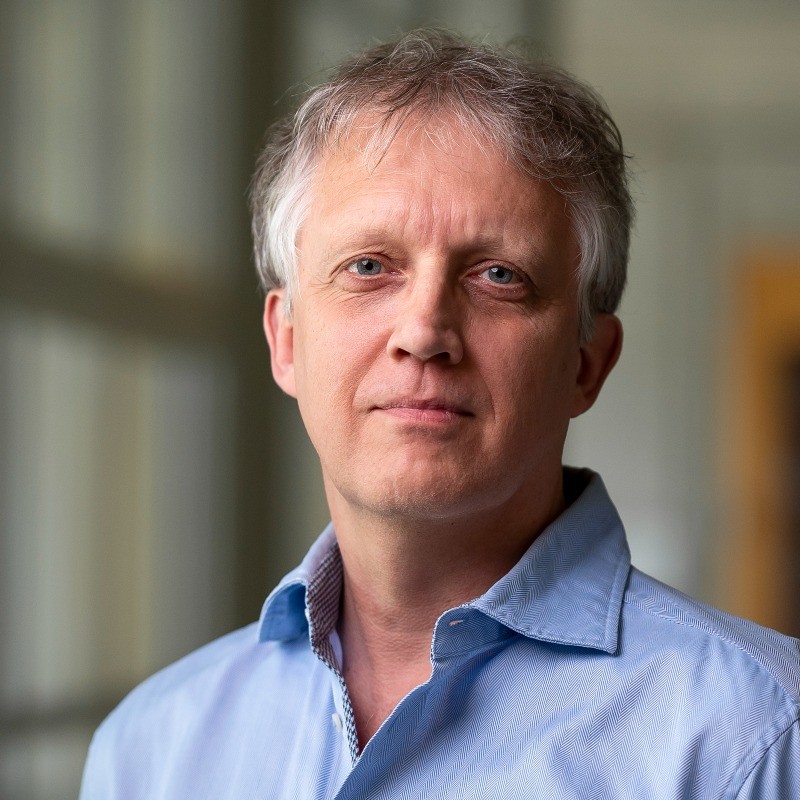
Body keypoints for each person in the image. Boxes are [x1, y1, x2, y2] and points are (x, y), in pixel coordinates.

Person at [80, 30, 800, 799]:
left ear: (587, 362)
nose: (424, 331)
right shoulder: (151, 750)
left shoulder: (760, 739)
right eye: (368, 267)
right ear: (286, 340)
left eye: (498, 276)